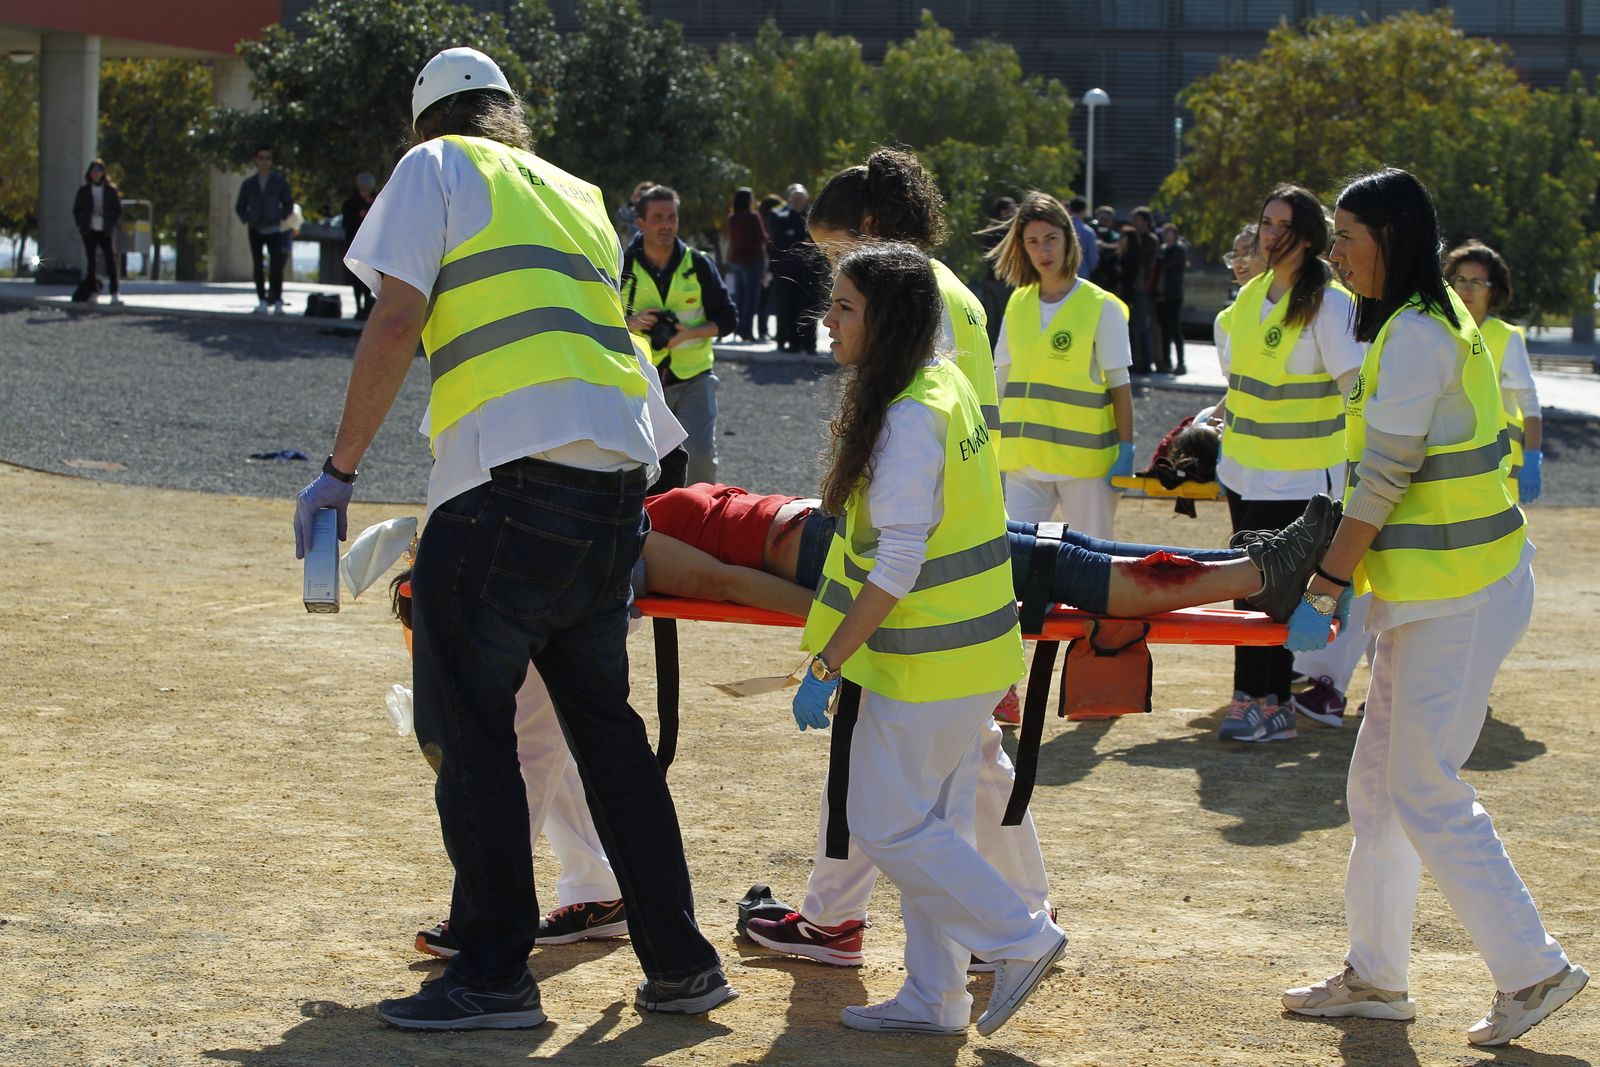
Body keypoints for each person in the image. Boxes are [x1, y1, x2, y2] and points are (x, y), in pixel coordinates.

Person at [291, 46, 732, 1030]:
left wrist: (342, 469)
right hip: (612, 487)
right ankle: (681, 962)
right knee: (607, 734)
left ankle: (491, 971)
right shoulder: (576, 192)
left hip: (503, 485)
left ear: (426, 123)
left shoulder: (436, 166)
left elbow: (399, 316)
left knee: (470, 726)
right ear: (507, 113)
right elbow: (600, 338)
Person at [1281, 167, 1587, 1047]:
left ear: (1395, 237)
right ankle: (1376, 977)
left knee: (1419, 786)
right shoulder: (1404, 328)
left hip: (1463, 594)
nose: (1334, 252)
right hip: (1434, 594)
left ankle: (1532, 969)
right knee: (1377, 789)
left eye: (1347, 236)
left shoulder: (1416, 333)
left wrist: (1328, 586)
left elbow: (1381, 482)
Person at [784, 241, 1067, 1037]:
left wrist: (826, 661)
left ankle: (1021, 937)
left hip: (930, 664)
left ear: (889, 319)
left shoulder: (907, 414)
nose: (828, 320)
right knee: (934, 826)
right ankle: (935, 995)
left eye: (844, 307)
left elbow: (898, 562)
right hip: (967, 655)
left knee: (882, 822)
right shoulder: (942, 386)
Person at [1213, 185, 1364, 744]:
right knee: (1244, 587)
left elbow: (1358, 390)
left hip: (1304, 476)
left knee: (1279, 591)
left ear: (1307, 236)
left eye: (1282, 225)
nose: (1269, 234)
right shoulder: (1247, 301)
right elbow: (1238, 384)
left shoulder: (1330, 302)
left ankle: (1269, 702)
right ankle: (1253, 699)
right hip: (1245, 473)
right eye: (1265, 222)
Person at [806, 147, 1001, 433]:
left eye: (836, 253)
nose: (836, 270)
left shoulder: (916, 297)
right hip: (967, 464)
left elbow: (920, 411)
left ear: (869, 227)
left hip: (937, 469)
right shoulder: (950, 283)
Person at [988, 191, 1135, 541]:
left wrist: (1128, 448)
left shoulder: (1102, 306)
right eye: (1033, 242)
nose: (1043, 251)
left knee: (1091, 561)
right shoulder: (1018, 303)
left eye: (1051, 239)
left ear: (1070, 240)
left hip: (1085, 465)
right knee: (1019, 556)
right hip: (1025, 460)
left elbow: (1120, 385)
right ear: (1022, 247)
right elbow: (1000, 379)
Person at [622, 184, 736, 486]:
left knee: (699, 456)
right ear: (641, 223)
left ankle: (704, 521)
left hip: (693, 378)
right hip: (639, 380)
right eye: (657, 217)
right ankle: (649, 525)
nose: (666, 225)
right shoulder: (622, 266)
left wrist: (688, 334)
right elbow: (599, 319)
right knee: (638, 461)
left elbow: (727, 318)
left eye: (671, 217)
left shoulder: (698, 264)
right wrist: (629, 323)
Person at [1443, 241, 1544, 506]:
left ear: (1493, 291)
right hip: (1447, 469)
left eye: (1477, 282)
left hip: (1496, 471)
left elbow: (1529, 403)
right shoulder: (1438, 332)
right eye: (1461, 279)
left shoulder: (1505, 338)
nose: (1466, 289)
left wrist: (1533, 456)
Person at [234, 145, 294, 315]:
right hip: (255, 229)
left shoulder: (279, 182)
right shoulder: (248, 184)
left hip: (274, 229)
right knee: (258, 266)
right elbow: (240, 207)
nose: (264, 161)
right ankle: (261, 299)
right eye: (261, 158)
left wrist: (279, 216)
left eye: (267, 158)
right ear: (256, 160)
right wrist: (249, 218)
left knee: (276, 266)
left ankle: (277, 299)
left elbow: (288, 204)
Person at [769, 182, 822, 353]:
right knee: (788, 307)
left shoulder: (815, 216)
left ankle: (809, 344)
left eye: (801, 199)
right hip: (787, 270)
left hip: (809, 271)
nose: (798, 202)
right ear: (790, 200)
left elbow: (817, 241)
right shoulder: (780, 215)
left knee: (809, 308)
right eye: (795, 199)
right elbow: (779, 240)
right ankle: (792, 343)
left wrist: (794, 236)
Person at [73, 159, 122, 305]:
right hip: (90, 230)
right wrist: (82, 224)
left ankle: (114, 293)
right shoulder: (84, 191)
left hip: (105, 230)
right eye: (93, 171)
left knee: (110, 261)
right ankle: (93, 292)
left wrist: (111, 224)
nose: (95, 174)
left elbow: (118, 210)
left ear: (103, 173)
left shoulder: (111, 191)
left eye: (98, 171)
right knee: (92, 262)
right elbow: (76, 210)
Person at [724, 187, 769, 342]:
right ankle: (747, 332)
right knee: (751, 298)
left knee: (740, 297)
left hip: (736, 259)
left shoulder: (732, 217)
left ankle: (738, 329)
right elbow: (762, 237)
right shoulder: (752, 217)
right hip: (752, 260)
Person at [976, 196, 1019, 348]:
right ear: (1003, 211)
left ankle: (988, 351)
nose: (1016, 211)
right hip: (1005, 281)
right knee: (1005, 320)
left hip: (991, 280)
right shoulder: (1007, 231)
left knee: (992, 321)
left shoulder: (989, 229)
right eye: (1012, 207)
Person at [1126, 207, 1160, 373]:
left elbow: (1148, 265)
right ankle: (1133, 360)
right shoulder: (1132, 238)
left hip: (1143, 287)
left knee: (1142, 325)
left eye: (1137, 220)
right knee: (1130, 326)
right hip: (1130, 287)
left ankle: (1146, 361)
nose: (1134, 224)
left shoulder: (1150, 240)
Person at [340, 172, 378, 320]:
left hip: (372, 246)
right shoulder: (350, 203)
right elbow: (346, 225)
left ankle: (368, 306)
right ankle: (358, 307)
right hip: (355, 245)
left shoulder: (377, 201)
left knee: (369, 278)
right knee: (356, 278)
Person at [1154, 222, 1188, 375]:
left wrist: (1158, 255)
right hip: (1161, 295)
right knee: (1164, 330)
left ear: (1175, 234)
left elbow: (1165, 264)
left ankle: (1181, 363)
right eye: (1164, 232)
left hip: (1174, 294)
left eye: (1169, 233)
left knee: (1175, 329)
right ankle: (1166, 362)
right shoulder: (1162, 250)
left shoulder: (1178, 250)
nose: (1166, 235)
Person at [756, 193, 784, 341]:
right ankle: (763, 330)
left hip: (763, 263)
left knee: (764, 299)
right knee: (768, 299)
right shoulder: (771, 222)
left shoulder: (761, 221)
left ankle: (762, 329)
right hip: (768, 263)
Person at [1067, 197, 1100, 281]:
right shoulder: (1088, 231)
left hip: (1062, 273)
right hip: (1082, 274)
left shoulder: (1061, 228)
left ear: (1070, 209)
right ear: (1084, 210)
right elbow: (1093, 259)